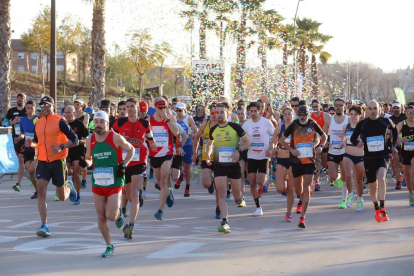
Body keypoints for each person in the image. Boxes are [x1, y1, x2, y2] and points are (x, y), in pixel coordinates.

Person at [80, 110, 134, 257]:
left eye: (101, 122)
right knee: (101, 216)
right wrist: (86, 162)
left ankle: (118, 214)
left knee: (111, 216)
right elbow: (89, 157)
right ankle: (109, 245)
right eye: (96, 122)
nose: (98, 125)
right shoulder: (90, 140)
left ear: (107, 124)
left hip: (114, 181)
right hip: (98, 182)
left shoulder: (115, 137)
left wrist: (124, 164)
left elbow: (131, 149)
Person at [25, 96, 79, 237]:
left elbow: (75, 140)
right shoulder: (38, 122)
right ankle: (44, 224)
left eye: (47, 105)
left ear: (53, 106)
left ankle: (69, 187)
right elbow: (38, 143)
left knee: (61, 197)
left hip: (58, 162)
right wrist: (32, 144)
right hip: (42, 162)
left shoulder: (59, 121)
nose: (44, 107)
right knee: (41, 192)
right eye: (42, 105)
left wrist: (61, 147)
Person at [112, 98, 156, 239]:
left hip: (139, 163)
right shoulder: (119, 123)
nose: (130, 109)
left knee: (135, 194)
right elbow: (110, 138)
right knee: (129, 196)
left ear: (137, 108)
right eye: (127, 106)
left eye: (132, 106)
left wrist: (153, 144)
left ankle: (131, 224)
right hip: (124, 163)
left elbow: (150, 138)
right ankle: (122, 210)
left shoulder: (144, 123)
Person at [278, 105, 327, 228]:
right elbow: (281, 141)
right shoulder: (294, 124)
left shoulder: (312, 123)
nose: (302, 117)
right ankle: (300, 200)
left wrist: (319, 146)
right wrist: (292, 150)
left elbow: (324, 136)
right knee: (298, 190)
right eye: (300, 115)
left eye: (304, 114)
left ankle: (302, 218)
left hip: (309, 161)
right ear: (297, 114)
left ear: (308, 114)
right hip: (296, 161)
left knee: (306, 188)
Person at [206, 102, 251, 233]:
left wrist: (238, 150)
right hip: (219, 165)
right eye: (217, 113)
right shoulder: (213, 129)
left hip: (233, 166)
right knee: (221, 192)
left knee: (237, 196)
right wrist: (208, 156)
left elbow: (247, 142)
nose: (219, 115)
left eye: (222, 112)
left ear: (228, 113)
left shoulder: (235, 127)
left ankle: (239, 198)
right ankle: (225, 221)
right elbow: (209, 144)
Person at [350, 100, 398, 223]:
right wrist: (357, 143)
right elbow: (353, 137)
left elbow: (395, 130)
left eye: (375, 108)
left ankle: (382, 207)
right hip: (369, 158)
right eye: (370, 109)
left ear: (379, 109)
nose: (373, 111)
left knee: (381, 178)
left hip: (383, 155)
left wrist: (393, 145)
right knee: (373, 186)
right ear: (366, 110)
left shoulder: (385, 121)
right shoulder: (363, 124)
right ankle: (376, 207)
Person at [243, 102, 275, 217]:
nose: (253, 113)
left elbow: (274, 136)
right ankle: (258, 206)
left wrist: (271, 148)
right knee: (252, 181)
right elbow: (242, 138)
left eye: (255, 111)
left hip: (263, 155)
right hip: (252, 155)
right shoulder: (246, 125)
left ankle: (266, 176)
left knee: (260, 181)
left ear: (259, 111)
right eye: (251, 111)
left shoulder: (266, 122)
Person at [149, 97, 179, 220]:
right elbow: (145, 135)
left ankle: (160, 210)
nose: (162, 110)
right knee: (161, 183)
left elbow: (176, 132)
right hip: (154, 154)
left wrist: (167, 120)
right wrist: (151, 143)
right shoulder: (149, 120)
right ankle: (168, 192)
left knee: (163, 179)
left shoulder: (170, 118)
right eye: (159, 107)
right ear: (155, 107)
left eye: (164, 107)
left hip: (167, 153)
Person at [192, 104, 221, 218]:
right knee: (206, 183)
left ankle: (218, 208)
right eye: (212, 113)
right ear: (209, 113)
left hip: (219, 158)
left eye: (217, 113)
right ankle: (211, 181)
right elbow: (196, 138)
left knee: (219, 186)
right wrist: (195, 153)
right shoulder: (205, 125)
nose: (214, 115)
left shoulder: (222, 125)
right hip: (206, 157)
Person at [272, 107, 295, 222]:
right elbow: (272, 142)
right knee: (280, 189)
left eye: (289, 114)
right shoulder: (279, 128)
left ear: (293, 115)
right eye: (285, 114)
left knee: (291, 188)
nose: (287, 116)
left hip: (293, 160)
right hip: (281, 158)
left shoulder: (297, 128)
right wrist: (273, 149)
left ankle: (288, 212)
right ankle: (284, 183)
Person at [341, 105, 365, 211]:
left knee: (359, 180)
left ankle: (359, 199)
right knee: (347, 175)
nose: (353, 116)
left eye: (356, 114)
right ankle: (350, 194)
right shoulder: (346, 126)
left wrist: (362, 142)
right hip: (348, 154)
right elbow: (344, 137)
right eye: (351, 114)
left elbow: (367, 141)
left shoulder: (364, 127)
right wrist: (343, 141)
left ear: (360, 115)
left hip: (360, 156)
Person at [64, 105, 89, 205]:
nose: (67, 115)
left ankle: (78, 195)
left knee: (76, 173)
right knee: (65, 173)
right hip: (66, 151)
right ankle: (70, 185)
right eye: (66, 113)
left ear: (74, 113)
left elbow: (87, 138)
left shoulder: (79, 124)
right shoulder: (62, 124)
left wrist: (80, 141)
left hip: (78, 152)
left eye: (69, 112)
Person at [327, 98, 348, 208]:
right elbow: (323, 132)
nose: (338, 107)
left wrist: (346, 142)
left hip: (344, 151)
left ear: (344, 107)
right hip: (332, 151)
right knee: (333, 177)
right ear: (334, 107)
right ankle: (338, 177)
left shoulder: (348, 119)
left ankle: (343, 200)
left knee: (345, 176)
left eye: (340, 105)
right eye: (336, 105)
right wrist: (325, 142)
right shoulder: (330, 120)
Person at [175, 102, 198, 197]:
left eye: (180, 110)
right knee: (177, 167)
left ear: (185, 110)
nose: (178, 112)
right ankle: (180, 177)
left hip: (187, 145)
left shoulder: (189, 119)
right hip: (176, 145)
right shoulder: (173, 118)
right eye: (177, 110)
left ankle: (187, 188)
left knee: (187, 169)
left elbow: (196, 132)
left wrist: (188, 136)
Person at [6, 92, 27, 192]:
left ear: (24, 100)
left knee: (21, 158)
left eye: (21, 98)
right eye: (18, 98)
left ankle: (19, 183)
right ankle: (31, 175)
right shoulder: (11, 111)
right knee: (21, 160)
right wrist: (12, 122)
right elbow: (5, 123)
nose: (19, 99)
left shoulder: (28, 110)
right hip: (16, 138)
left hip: (27, 138)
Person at [19, 100, 38, 199]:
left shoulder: (37, 119)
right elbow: (22, 132)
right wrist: (20, 137)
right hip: (27, 149)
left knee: (32, 169)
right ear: (25, 108)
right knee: (30, 172)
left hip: (37, 148)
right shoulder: (23, 120)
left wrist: (34, 142)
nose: (29, 110)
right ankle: (37, 191)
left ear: (35, 108)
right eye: (28, 108)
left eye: (31, 108)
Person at [310, 99, 331, 191]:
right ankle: (316, 182)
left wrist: (324, 139)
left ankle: (326, 170)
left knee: (323, 163)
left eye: (316, 106)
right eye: (313, 106)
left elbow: (329, 127)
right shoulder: (310, 116)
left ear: (320, 106)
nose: (315, 108)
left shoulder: (326, 115)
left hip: (324, 140)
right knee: (316, 161)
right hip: (314, 142)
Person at [396, 105, 414, 206]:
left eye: (413, 113)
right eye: (410, 113)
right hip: (405, 152)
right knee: (408, 175)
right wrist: (400, 140)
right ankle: (411, 194)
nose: (412, 115)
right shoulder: (401, 124)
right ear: (406, 114)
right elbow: (395, 138)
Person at [390, 101, 406, 189]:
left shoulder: (405, 117)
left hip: (406, 143)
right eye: (394, 108)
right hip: (395, 143)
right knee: (395, 161)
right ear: (392, 109)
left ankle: (404, 176)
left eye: (397, 108)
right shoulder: (390, 119)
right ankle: (398, 180)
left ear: (401, 108)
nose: (396, 110)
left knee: (405, 164)